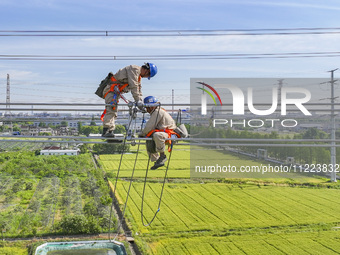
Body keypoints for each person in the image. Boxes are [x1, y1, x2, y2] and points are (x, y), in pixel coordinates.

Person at [101, 63, 157, 137]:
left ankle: (110, 132)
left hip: (115, 92)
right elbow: (133, 86)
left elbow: (138, 89)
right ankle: (106, 131)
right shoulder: (134, 69)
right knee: (111, 110)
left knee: (114, 112)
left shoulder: (138, 76)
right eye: (148, 76)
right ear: (147, 71)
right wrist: (138, 101)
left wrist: (141, 103)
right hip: (111, 91)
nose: (146, 77)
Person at [139, 96, 178, 170]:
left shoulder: (157, 111)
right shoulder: (157, 111)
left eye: (147, 107)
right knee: (149, 138)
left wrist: (142, 134)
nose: (146, 110)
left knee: (157, 135)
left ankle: (162, 156)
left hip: (169, 134)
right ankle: (156, 160)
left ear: (151, 106)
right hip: (164, 132)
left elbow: (150, 125)